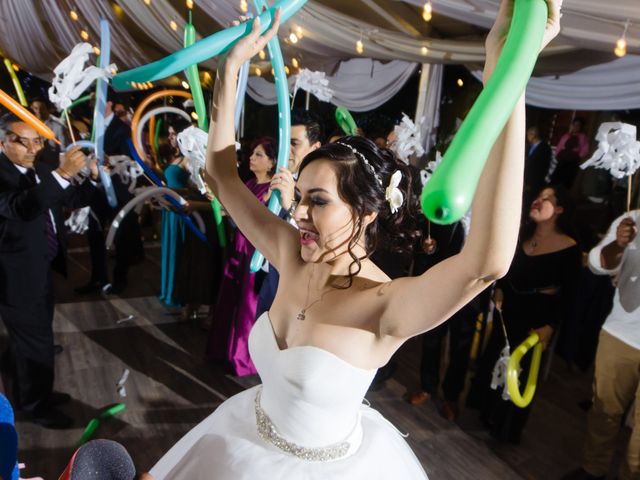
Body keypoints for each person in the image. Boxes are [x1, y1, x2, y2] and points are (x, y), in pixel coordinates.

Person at [151, 2, 561, 477]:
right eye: (300, 197)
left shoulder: (383, 305)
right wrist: (231, 67)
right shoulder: (290, 252)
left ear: (366, 212)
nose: (298, 212)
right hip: (243, 440)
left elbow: (487, 263)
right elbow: (221, 177)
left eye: (318, 201)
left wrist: (506, 82)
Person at [0, 113, 97, 429]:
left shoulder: (41, 168)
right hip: (16, 278)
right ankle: (35, 405)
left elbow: (72, 196)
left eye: (37, 140)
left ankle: (33, 391)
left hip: (41, 268)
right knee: (36, 342)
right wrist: (63, 174)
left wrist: (93, 176)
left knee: (28, 341)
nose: (31, 148)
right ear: (2, 142)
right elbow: (24, 207)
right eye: (21, 141)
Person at [467, 185, 581, 443]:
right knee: (495, 359)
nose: (538, 202)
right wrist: (500, 291)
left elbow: (570, 295)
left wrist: (551, 326)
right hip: (508, 311)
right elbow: (506, 271)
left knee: (520, 372)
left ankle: (505, 429)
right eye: (538, 197)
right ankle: (485, 412)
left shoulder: (569, 248)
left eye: (547, 199)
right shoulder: (522, 235)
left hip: (537, 320)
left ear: (559, 210)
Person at [563, 212, 639, 480]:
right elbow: (597, 264)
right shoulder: (632, 219)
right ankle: (593, 470)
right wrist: (618, 244)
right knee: (604, 411)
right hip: (621, 333)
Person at [205, 136, 277, 376]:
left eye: (259, 155)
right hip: (239, 246)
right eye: (252, 154)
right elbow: (236, 214)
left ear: (272, 161)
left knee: (248, 304)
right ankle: (225, 351)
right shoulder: (248, 184)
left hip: (254, 250)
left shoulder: (272, 191)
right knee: (231, 298)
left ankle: (244, 358)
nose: (252, 158)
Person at [255, 110, 323, 319]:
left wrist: (292, 205)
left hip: (299, 283)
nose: (287, 149)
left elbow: (320, 233)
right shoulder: (275, 179)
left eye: (294, 143)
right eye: (284, 142)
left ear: (314, 147)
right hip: (269, 276)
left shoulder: (321, 187)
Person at [159, 119, 191, 307]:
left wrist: (172, 193)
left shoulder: (189, 159)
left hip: (181, 211)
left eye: (173, 133)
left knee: (179, 252)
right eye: (169, 134)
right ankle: (169, 291)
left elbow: (194, 188)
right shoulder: (176, 156)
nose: (170, 137)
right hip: (169, 211)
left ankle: (178, 293)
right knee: (170, 250)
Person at [550, 117, 590, 189]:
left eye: (578, 125)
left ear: (581, 127)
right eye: (574, 125)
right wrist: (557, 155)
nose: (576, 127)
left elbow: (585, 150)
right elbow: (559, 146)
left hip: (572, 163)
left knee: (566, 183)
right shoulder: (566, 135)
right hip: (562, 161)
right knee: (555, 180)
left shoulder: (583, 137)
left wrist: (578, 155)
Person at [524, 125, 552, 205]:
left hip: (535, 181)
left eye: (528, 135)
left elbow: (542, 167)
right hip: (526, 179)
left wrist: (531, 183)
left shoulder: (545, 148)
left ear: (533, 134)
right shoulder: (529, 146)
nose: (527, 137)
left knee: (531, 200)